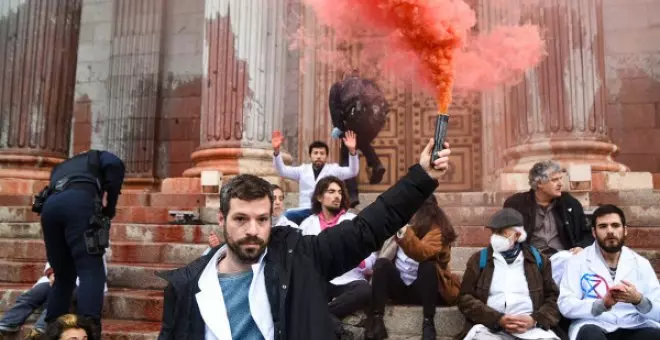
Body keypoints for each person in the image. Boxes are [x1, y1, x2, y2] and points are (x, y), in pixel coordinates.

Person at [156, 139, 451, 340]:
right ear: (222, 220)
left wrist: (421, 177)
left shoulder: (299, 257)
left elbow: (366, 229)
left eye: (261, 219)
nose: (252, 230)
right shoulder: (185, 287)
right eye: (240, 219)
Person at [38, 150, 125, 336]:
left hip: (49, 208)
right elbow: (115, 164)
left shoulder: (61, 167)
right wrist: (109, 208)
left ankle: (52, 331)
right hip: (79, 203)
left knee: (62, 275)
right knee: (90, 270)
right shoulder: (99, 156)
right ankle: (89, 330)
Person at [457, 208, 565, 340]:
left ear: (518, 235)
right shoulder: (479, 259)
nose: (496, 237)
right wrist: (497, 319)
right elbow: (464, 298)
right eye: (494, 232)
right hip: (489, 329)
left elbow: (553, 298)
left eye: (502, 233)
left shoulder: (538, 260)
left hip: (532, 330)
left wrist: (534, 319)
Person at [558, 204, 660, 340]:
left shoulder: (640, 263)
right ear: (593, 232)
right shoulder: (577, 262)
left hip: (633, 324)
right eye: (603, 226)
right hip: (594, 324)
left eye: (615, 225)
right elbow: (565, 304)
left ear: (625, 230)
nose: (610, 231)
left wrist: (638, 300)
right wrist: (601, 305)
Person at [366, 195, 460, 340]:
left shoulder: (438, 231)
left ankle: (428, 323)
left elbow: (422, 253)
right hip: (400, 288)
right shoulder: (402, 228)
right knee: (382, 263)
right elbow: (379, 252)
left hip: (426, 292)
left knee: (428, 266)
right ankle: (377, 320)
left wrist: (404, 233)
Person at [299, 176, 376, 336]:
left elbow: (371, 255)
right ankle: (330, 318)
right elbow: (300, 257)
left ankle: (325, 314)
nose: (337, 196)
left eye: (340, 192)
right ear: (319, 197)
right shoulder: (307, 224)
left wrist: (361, 261)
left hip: (349, 280)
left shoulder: (353, 221)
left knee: (365, 290)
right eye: (331, 192)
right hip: (321, 281)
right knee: (304, 290)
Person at [504, 160, 592, 284]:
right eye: (555, 180)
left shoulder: (570, 203)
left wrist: (581, 247)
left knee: (568, 260)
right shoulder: (517, 204)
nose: (561, 184)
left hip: (562, 259)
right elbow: (504, 234)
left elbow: (587, 233)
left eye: (560, 179)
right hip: (530, 259)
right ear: (539, 183)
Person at [0, 259, 108, 339]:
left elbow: (94, 273)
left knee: (61, 295)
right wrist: (51, 273)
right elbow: (51, 261)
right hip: (56, 282)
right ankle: (8, 323)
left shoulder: (92, 244)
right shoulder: (61, 237)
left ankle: (39, 330)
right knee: (38, 291)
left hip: (81, 288)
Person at [271, 130, 359, 225]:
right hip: (304, 210)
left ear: (326, 156)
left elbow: (352, 171)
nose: (318, 156)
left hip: (325, 210)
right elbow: (282, 171)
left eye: (322, 153)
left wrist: (352, 151)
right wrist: (276, 151)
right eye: (315, 153)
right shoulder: (303, 170)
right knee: (286, 217)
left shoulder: (333, 170)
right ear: (310, 155)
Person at [329, 73, 390, 206]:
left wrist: (339, 127)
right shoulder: (366, 83)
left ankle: (352, 195)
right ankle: (376, 164)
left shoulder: (338, 87)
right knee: (362, 142)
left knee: (346, 159)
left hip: (352, 122)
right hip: (371, 123)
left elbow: (335, 109)